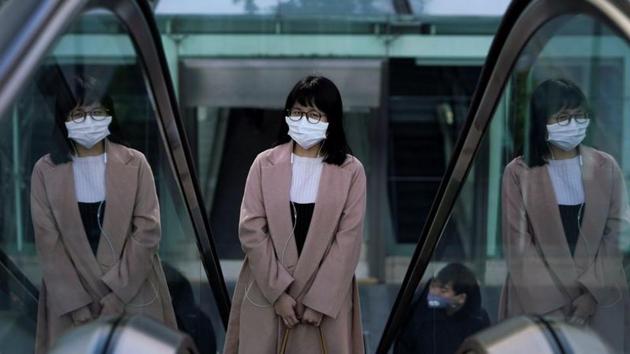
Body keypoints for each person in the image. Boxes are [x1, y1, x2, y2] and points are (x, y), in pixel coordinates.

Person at [30, 75, 176, 353]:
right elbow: (48, 243)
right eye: (79, 113)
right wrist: (78, 305)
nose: (89, 120)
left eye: (98, 112)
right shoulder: (44, 170)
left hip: (133, 294)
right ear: (64, 118)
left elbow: (147, 231)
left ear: (109, 115)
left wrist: (118, 295)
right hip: (71, 304)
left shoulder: (136, 163)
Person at [223, 76, 366, 354]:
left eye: (314, 114)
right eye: (298, 112)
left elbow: (348, 240)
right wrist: (277, 292)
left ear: (331, 120)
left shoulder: (351, 170)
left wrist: (320, 301)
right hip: (267, 294)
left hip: (325, 302)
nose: (304, 120)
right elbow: (251, 230)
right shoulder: (264, 163)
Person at [499, 78, 630, 352]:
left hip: (599, 303)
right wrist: (564, 306)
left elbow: (619, 233)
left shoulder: (607, 167)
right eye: (563, 117)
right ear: (541, 121)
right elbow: (519, 246)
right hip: (537, 304)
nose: (573, 123)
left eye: (579, 115)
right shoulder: (518, 172)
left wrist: (591, 296)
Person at [394, 263, 490, 354]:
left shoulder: (479, 321)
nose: (435, 293)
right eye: (434, 286)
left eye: (444, 291)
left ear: (461, 298)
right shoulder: (420, 315)